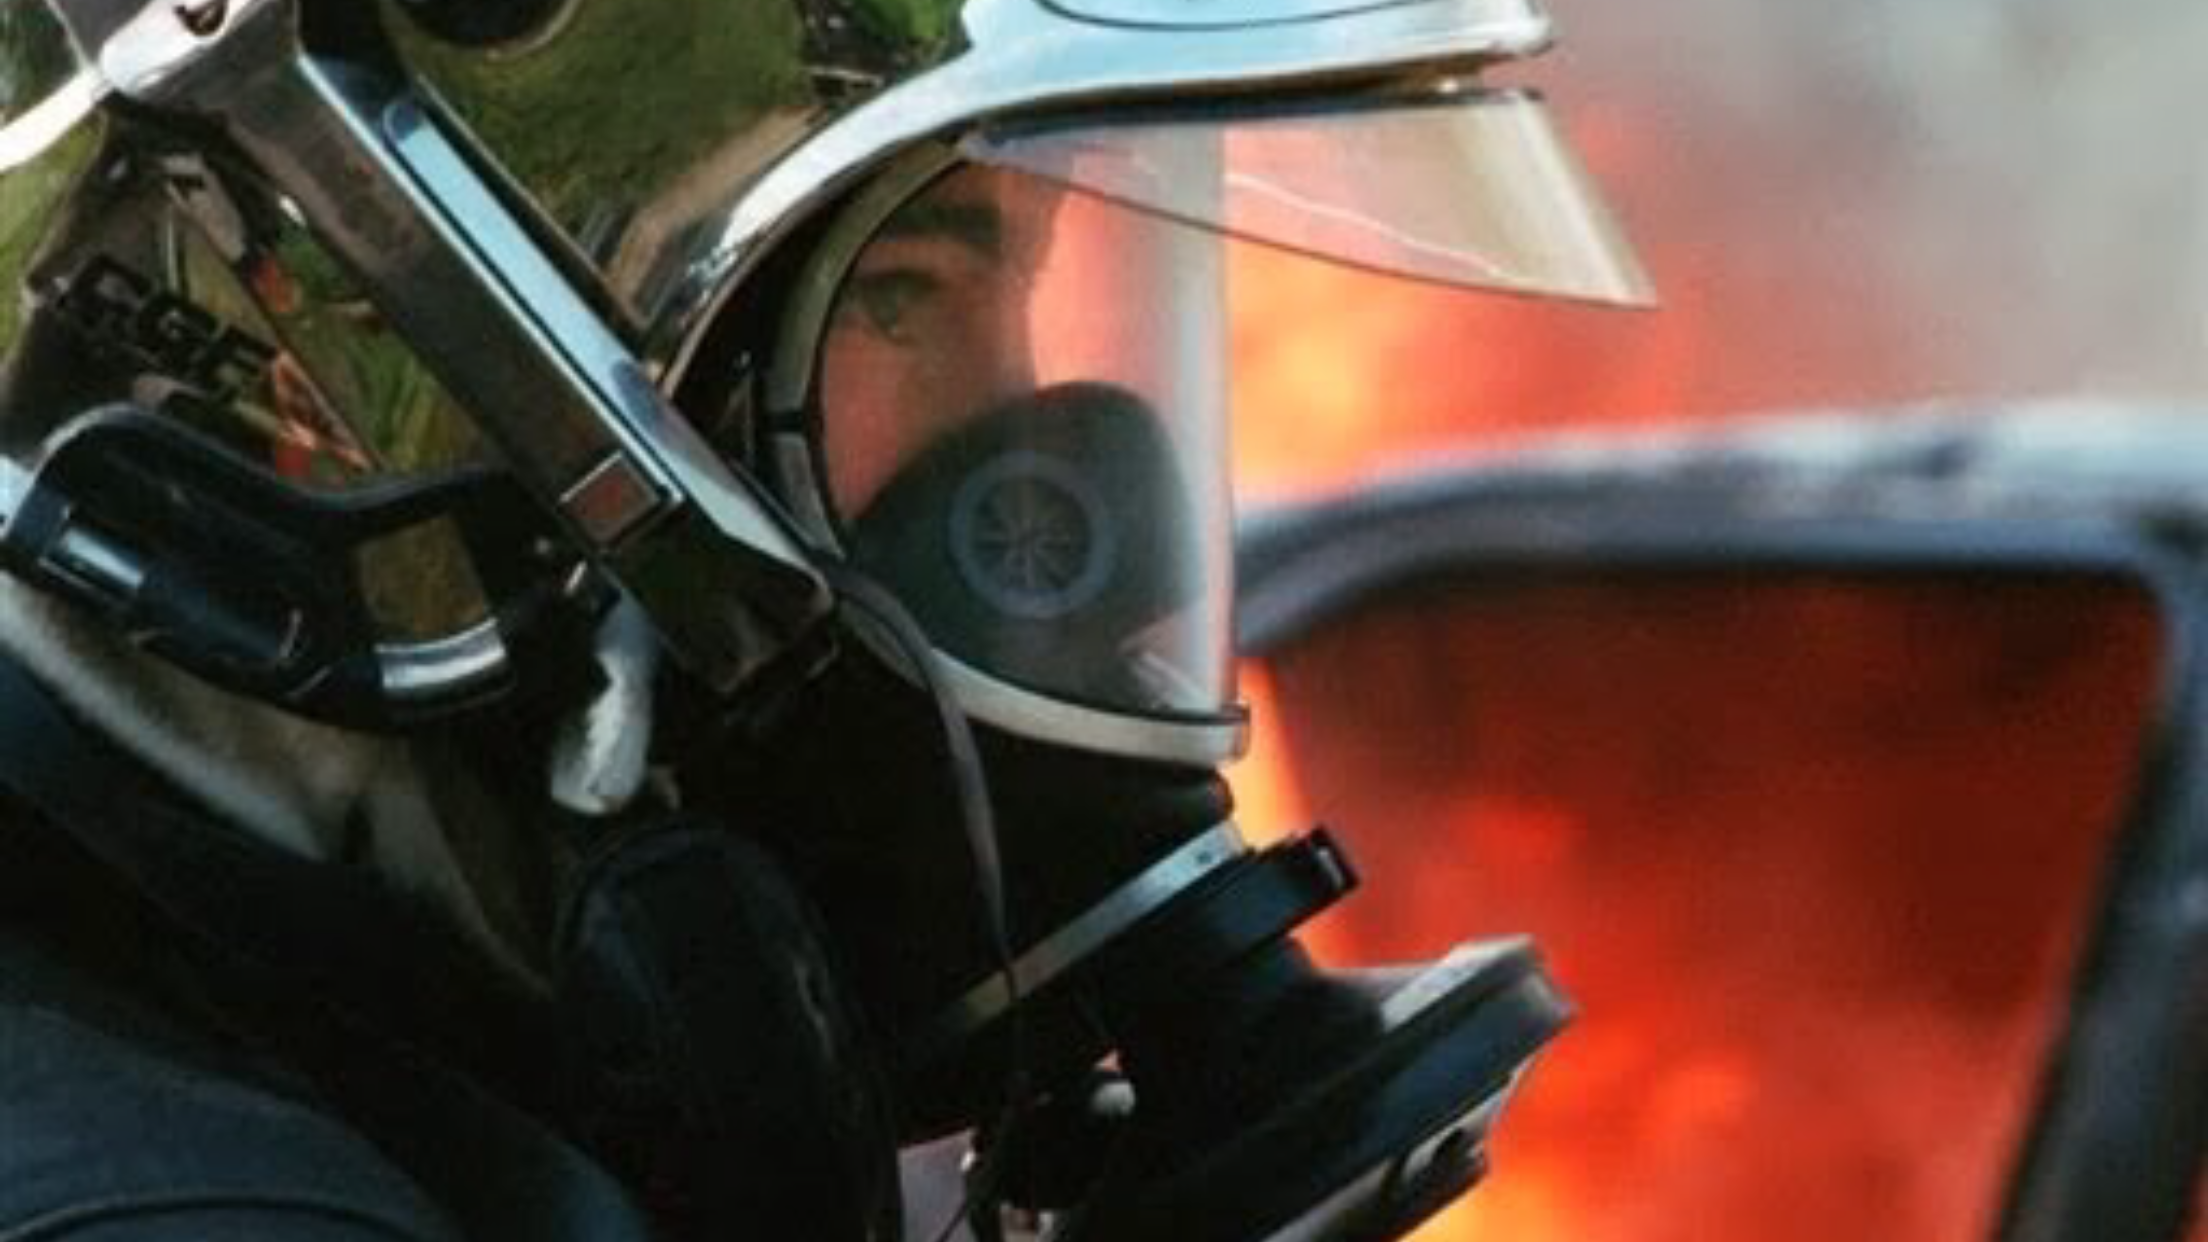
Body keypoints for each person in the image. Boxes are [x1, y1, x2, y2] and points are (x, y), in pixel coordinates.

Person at [0, 0, 1652, 1238]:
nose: (1063, 479)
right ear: (376, 367)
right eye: (904, 293)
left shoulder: (346, 1045)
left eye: (1039, 296)